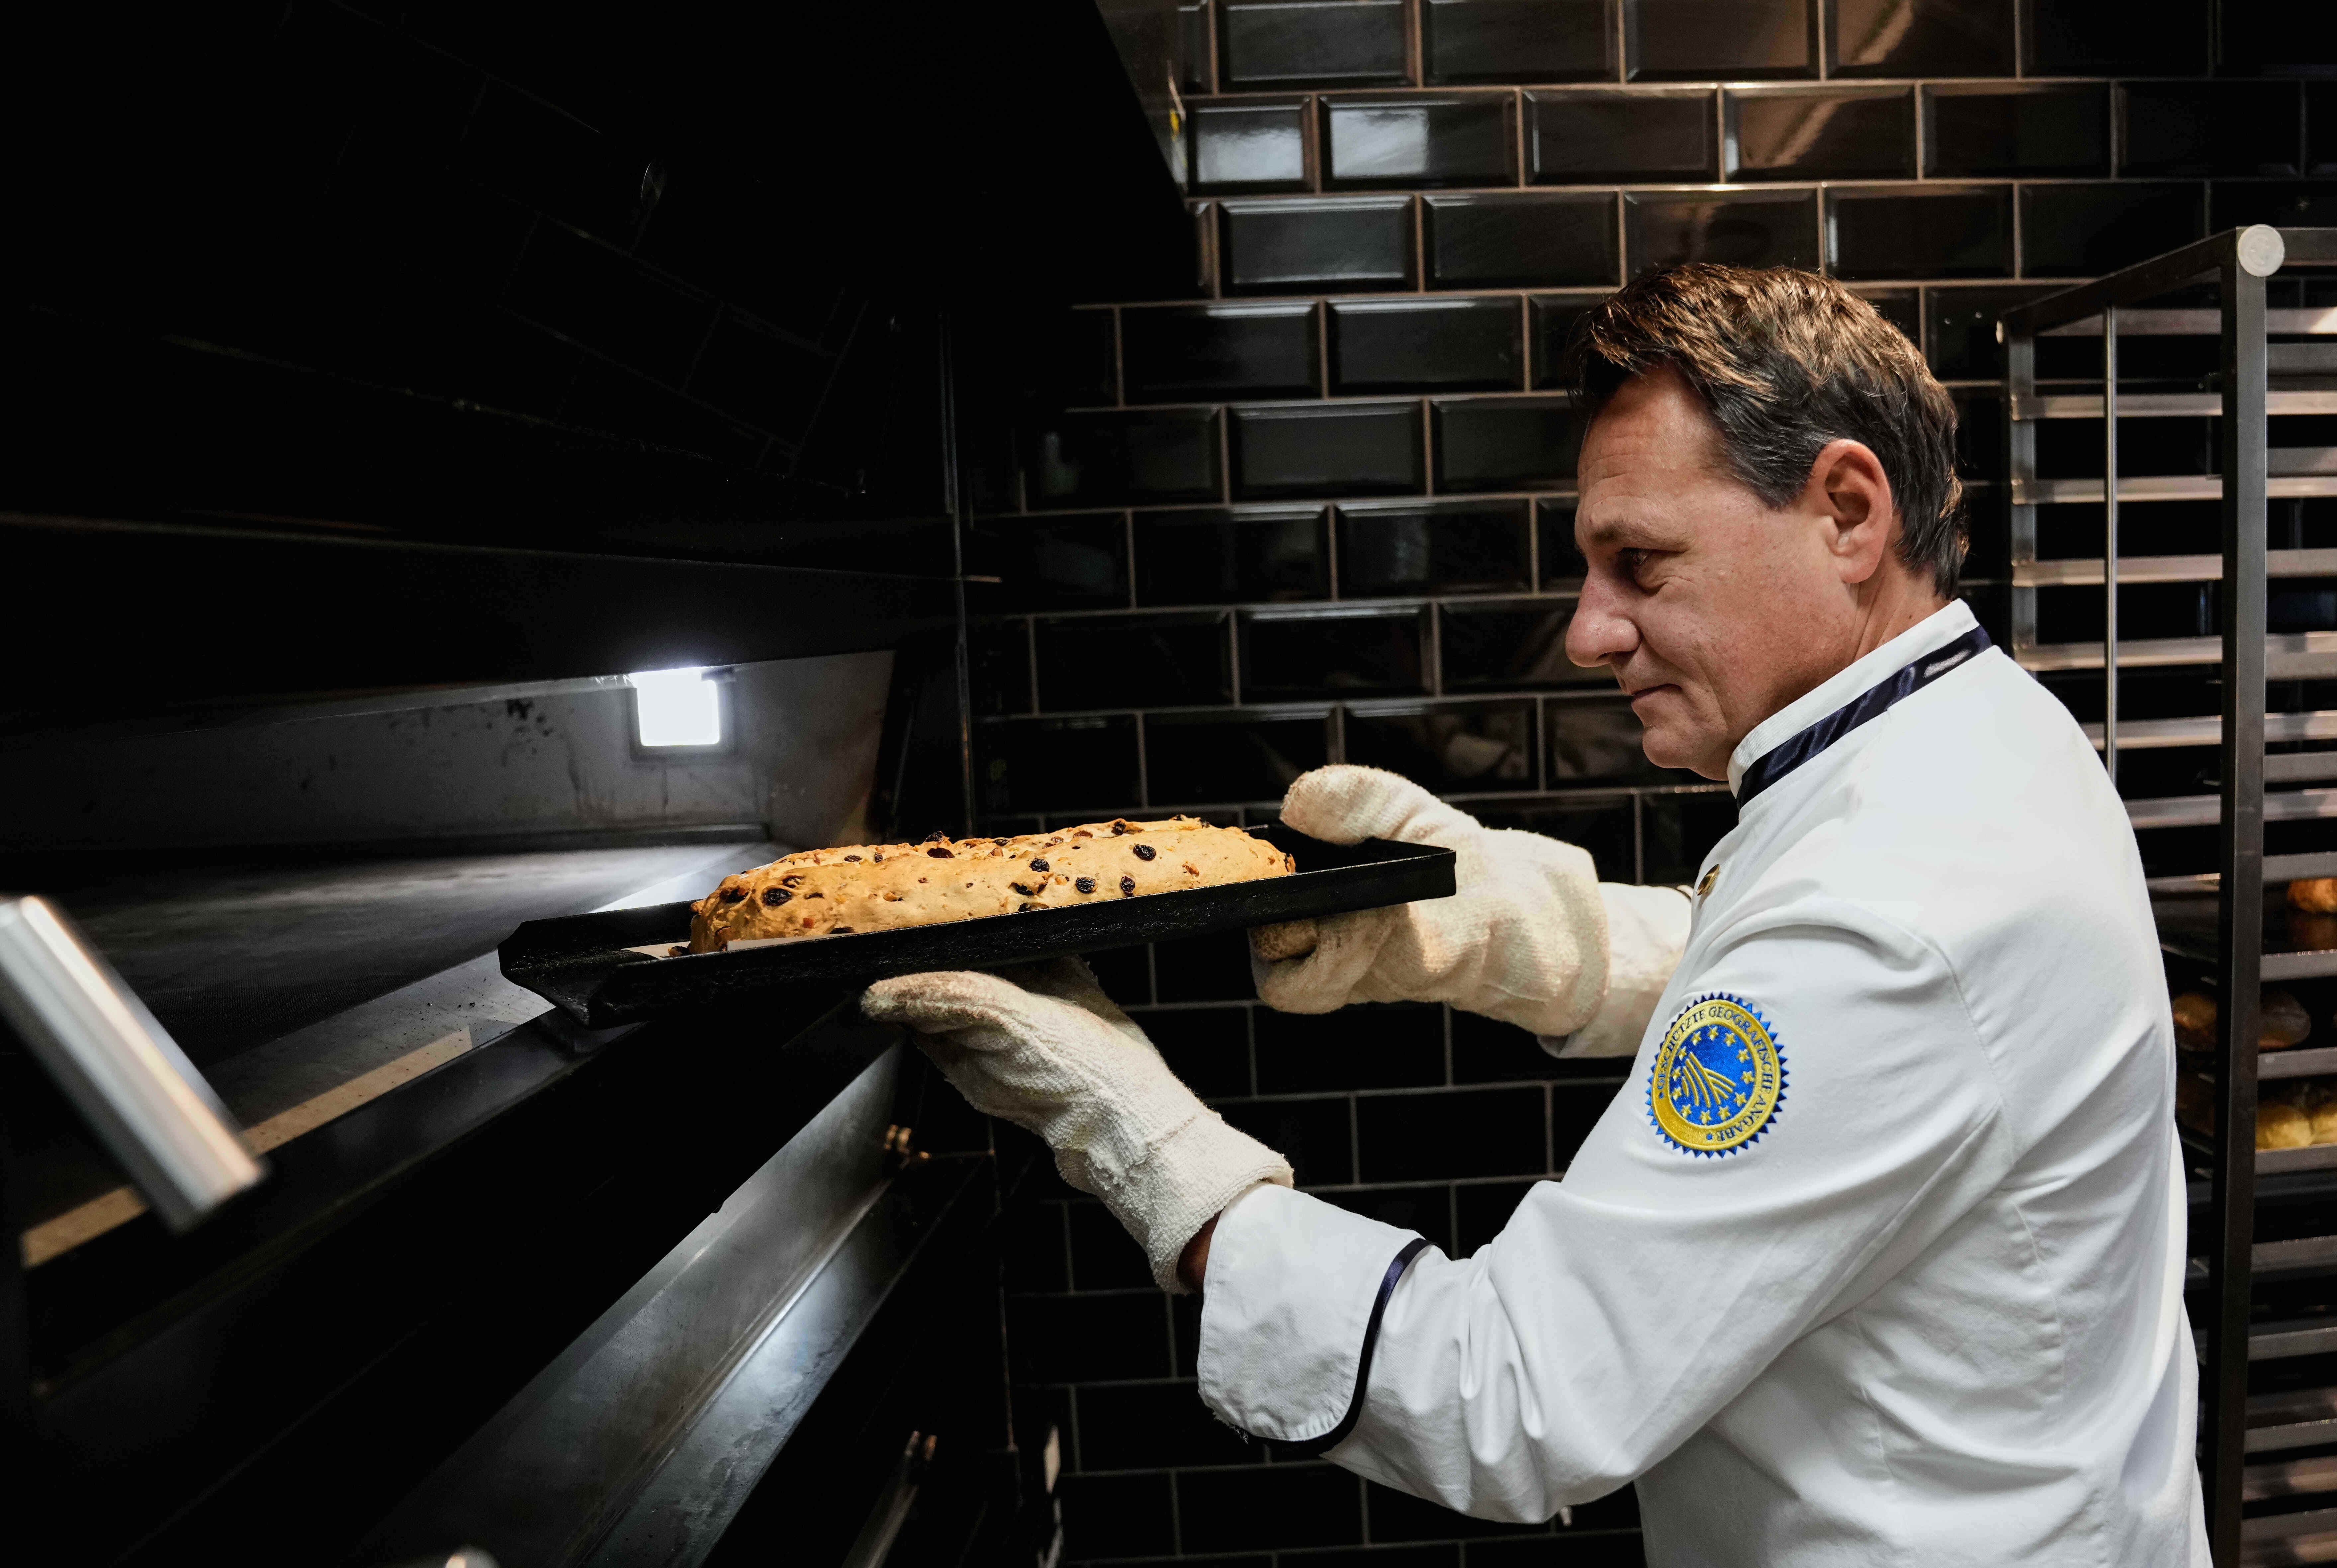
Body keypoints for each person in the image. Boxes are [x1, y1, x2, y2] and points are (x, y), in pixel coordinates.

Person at [866, 265, 2204, 1565]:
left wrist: (1142, 1142)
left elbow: (1514, 1396)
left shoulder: (1891, 908)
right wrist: (1508, 927)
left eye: (1639, 561)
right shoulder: (1969, 729)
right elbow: (1826, 994)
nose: (1587, 630)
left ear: (1845, 512)